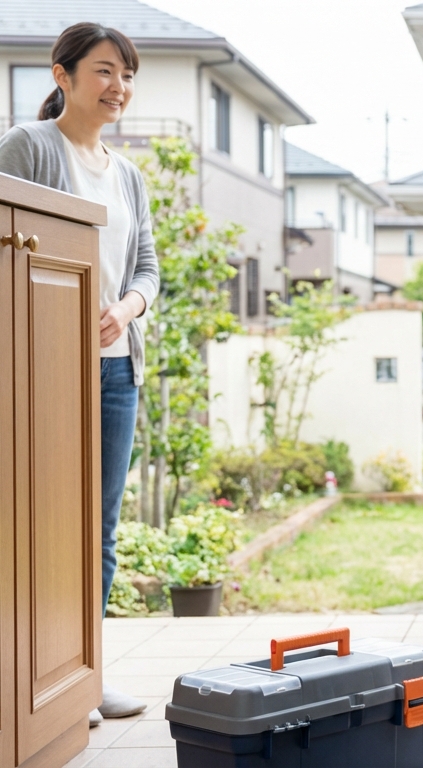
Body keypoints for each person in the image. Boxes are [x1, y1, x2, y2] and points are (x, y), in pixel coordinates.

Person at [0, 23, 159, 728]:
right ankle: (39, 681)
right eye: (103, 71)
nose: (117, 87)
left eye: (126, 75)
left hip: (115, 369)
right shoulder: (28, 147)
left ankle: (85, 678)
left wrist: (126, 307)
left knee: (99, 528)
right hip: (42, 369)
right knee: (38, 523)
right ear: (61, 76)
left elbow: (148, 268)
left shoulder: (128, 175)